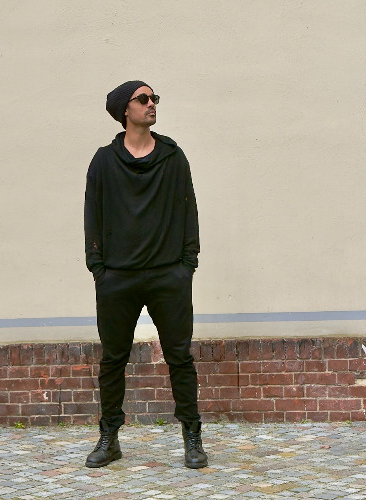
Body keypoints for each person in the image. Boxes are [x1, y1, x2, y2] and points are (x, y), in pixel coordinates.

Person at [84, 80, 207, 469]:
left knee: (180, 358)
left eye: (154, 98)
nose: (152, 104)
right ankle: (109, 438)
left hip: (168, 275)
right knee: (113, 360)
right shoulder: (104, 161)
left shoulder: (172, 156)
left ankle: (192, 437)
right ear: (126, 110)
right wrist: (98, 269)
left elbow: (189, 208)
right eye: (143, 99)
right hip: (117, 278)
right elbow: (92, 215)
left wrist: (187, 264)